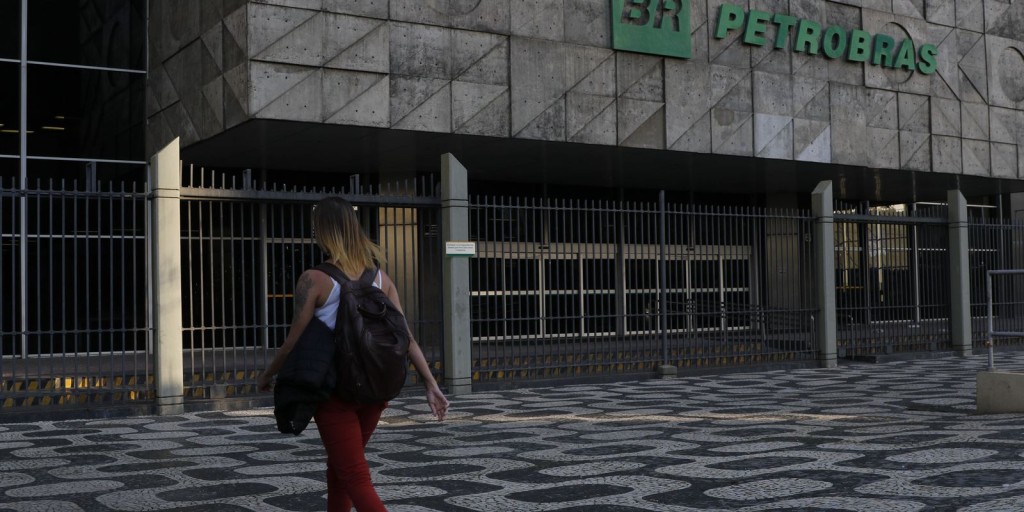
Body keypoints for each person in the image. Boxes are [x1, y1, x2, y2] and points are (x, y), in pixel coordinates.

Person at [257, 196, 449, 512]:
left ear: (323, 230)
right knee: (340, 470)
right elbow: (406, 337)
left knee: (355, 476)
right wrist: (431, 384)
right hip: (374, 389)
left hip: (336, 394)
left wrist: (267, 375)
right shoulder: (380, 278)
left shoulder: (314, 279)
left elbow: (292, 342)